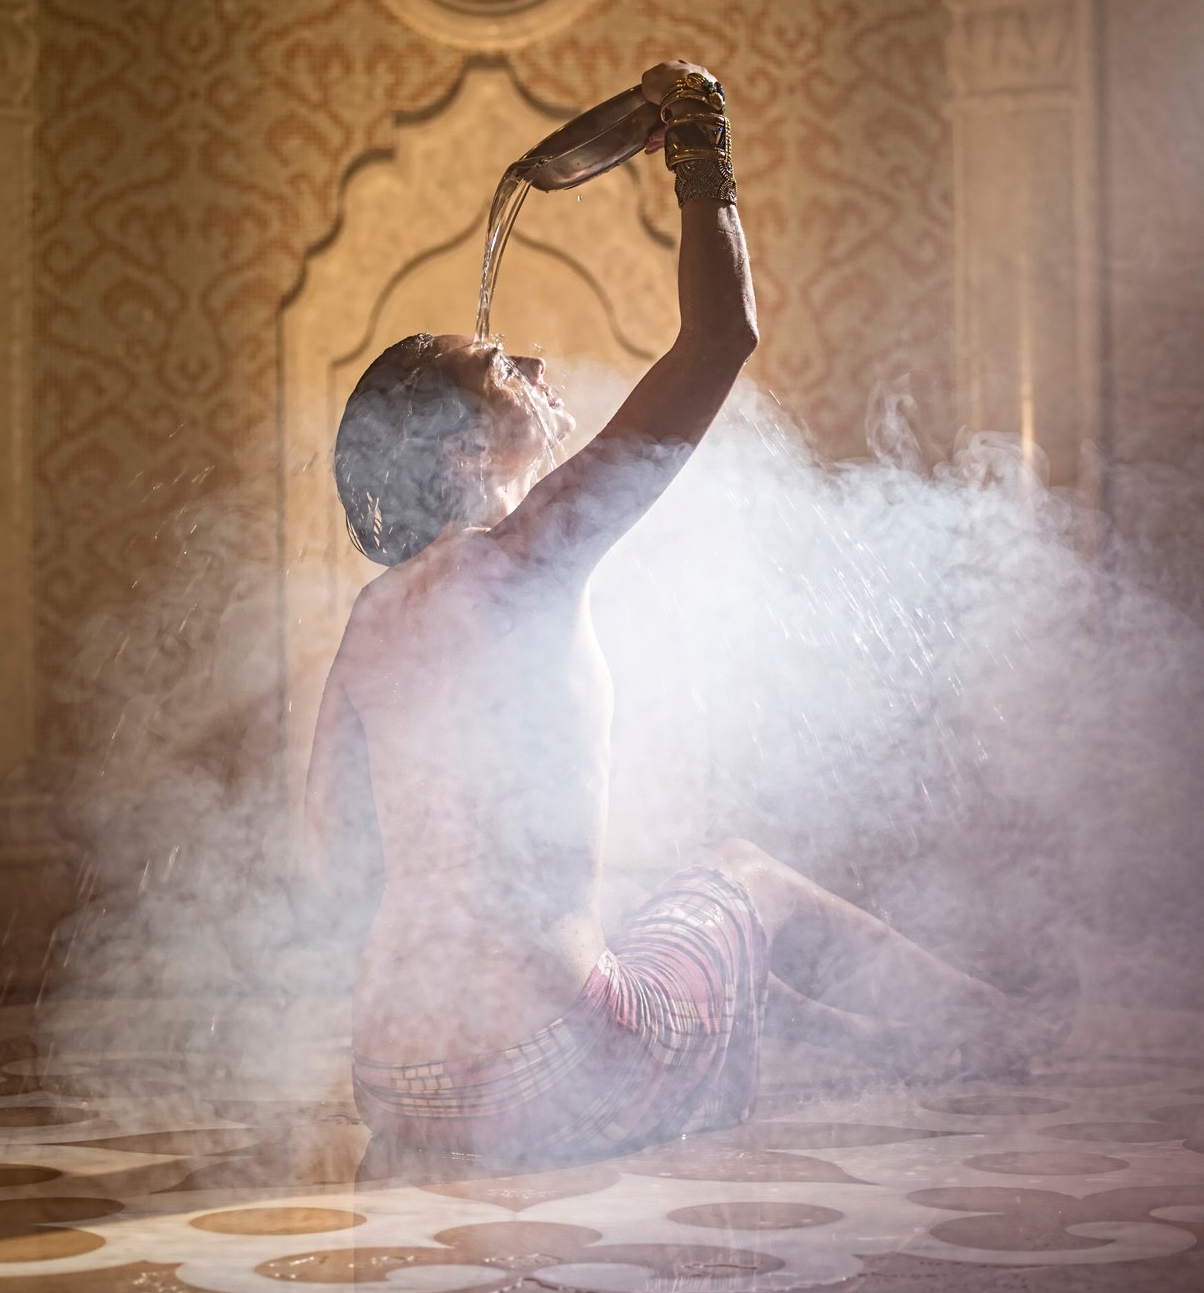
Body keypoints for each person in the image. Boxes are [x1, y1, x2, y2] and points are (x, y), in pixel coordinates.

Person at [305, 59, 1050, 1166]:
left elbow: (339, 861)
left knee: (668, 908)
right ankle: (1005, 1026)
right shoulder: (528, 557)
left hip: (392, 1087)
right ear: (465, 448)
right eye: (503, 364)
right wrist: (700, 137)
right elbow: (718, 341)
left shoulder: (372, 619)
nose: (538, 363)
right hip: (539, 1082)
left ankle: (891, 1043)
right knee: (744, 875)